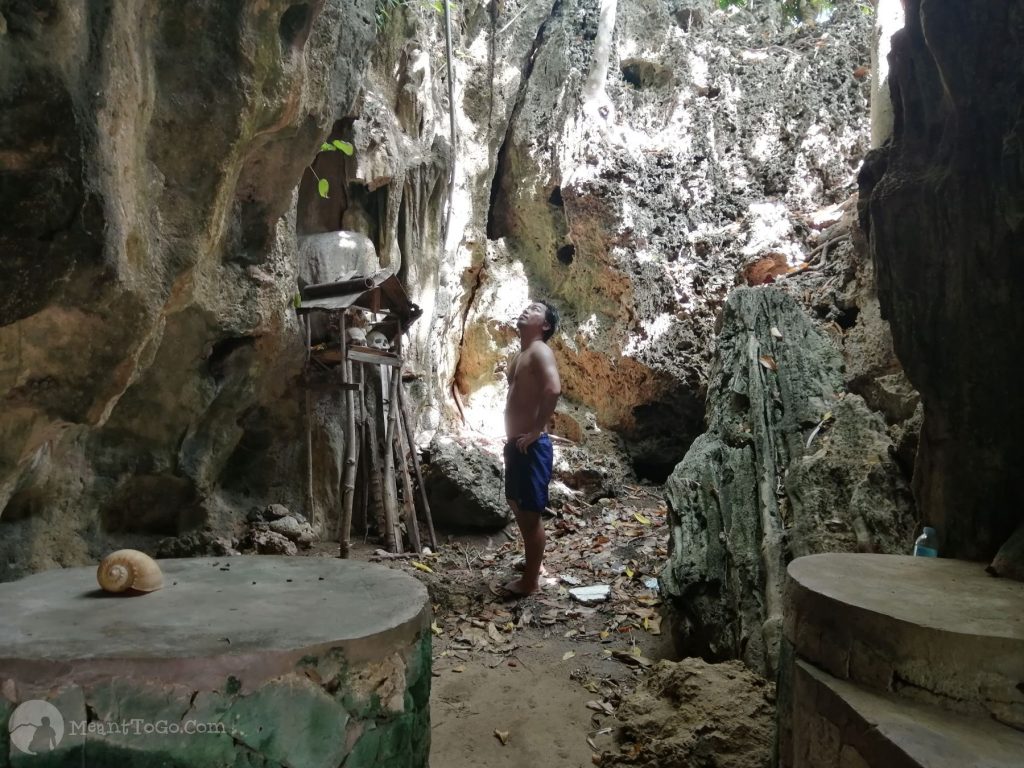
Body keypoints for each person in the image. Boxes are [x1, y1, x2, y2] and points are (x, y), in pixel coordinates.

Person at [502, 300, 561, 597]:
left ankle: (530, 583)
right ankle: (530, 563)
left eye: (535, 309)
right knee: (517, 503)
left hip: (530, 446)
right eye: (526, 306)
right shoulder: (521, 355)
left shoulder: (540, 350)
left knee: (529, 515)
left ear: (546, 325)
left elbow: (553, 389)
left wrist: (537, 430)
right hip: (516, 445)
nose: (526, 309)